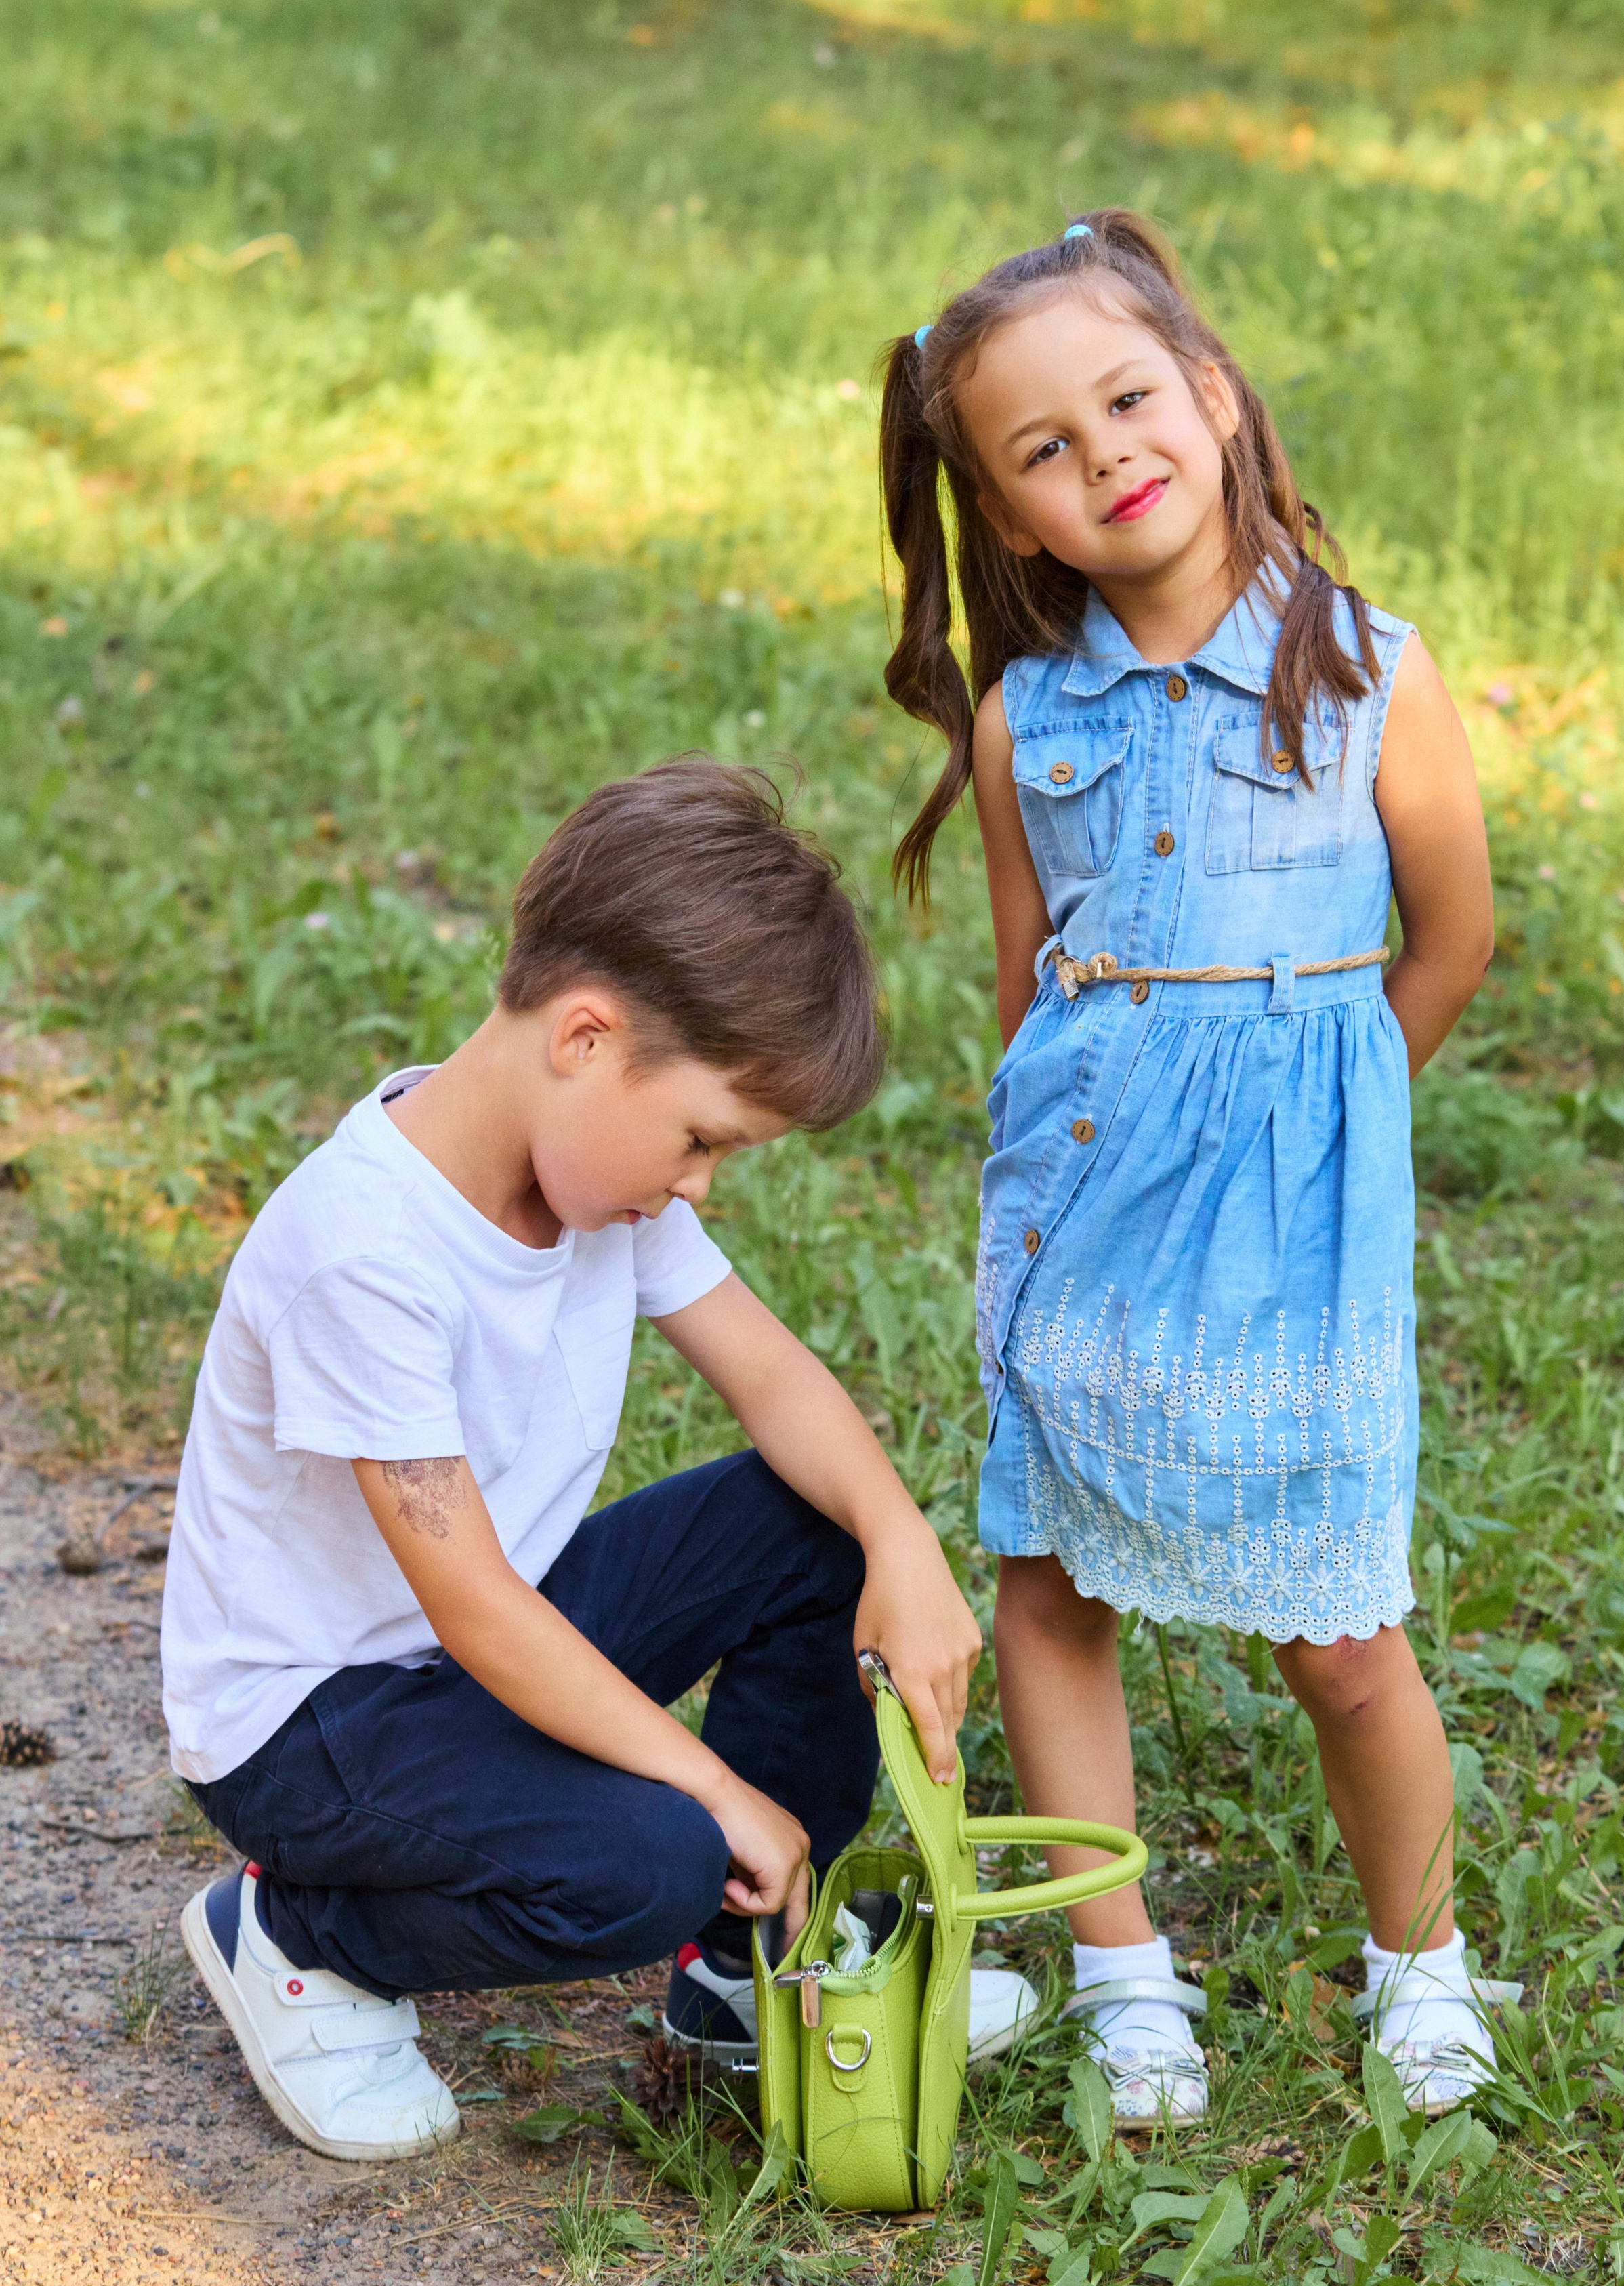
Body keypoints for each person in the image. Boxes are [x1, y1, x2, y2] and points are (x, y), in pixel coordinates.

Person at [877, 209, 1516, 2126]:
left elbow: (1451, 940)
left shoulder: (1368, 673)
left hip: (1293, 1211)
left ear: (1215, 399)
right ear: (1009, 517)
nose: (1104, 457)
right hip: (1080, 1199)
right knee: (1052, 1583)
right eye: (1042, 449)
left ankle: (1422, 1964)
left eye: (1129, 402)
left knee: (1340, 1631)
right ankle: (1121, 1973)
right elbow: (1028, 998)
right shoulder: (1030, 722)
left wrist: (1318, 1126)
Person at [165, 760, 1030, 2164]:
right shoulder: (364, 1251)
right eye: (699, 1138)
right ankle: (301, 1935)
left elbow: (772, 1377)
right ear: (583, 1036)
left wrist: (901, 1542)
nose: (697, 1183)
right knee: (654, 1860)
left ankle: (750, 1963)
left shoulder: (594, 1186)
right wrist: (716, 1790)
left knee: (812, 1528)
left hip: (478, 1651)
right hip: (313, 1729)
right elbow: (476, 1610)